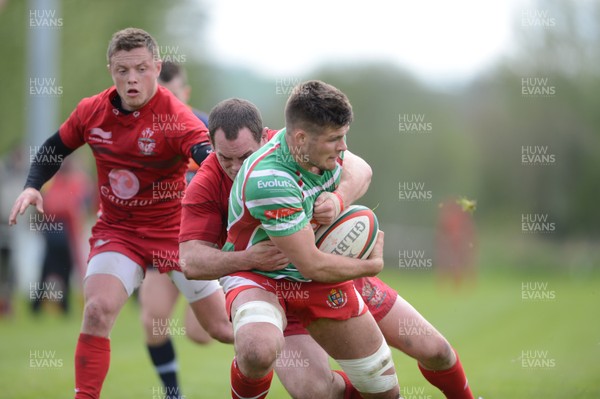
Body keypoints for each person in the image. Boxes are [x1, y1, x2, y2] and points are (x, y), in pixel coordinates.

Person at [181, 96, 474, 399]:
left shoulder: (292, 148)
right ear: (210, 145)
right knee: (313, 390)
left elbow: (360, 168)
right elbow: (191, 262)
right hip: (267, 286)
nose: (234, 167)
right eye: (224, 158)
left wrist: (338, 198)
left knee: (435, 350)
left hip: (329, 269)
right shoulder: (204, 185)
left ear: (265, 137)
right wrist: (247, 257)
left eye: (244, 157)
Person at [8, 28, 231, 399]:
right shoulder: (91, 111)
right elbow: (55, 147)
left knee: (219, 330)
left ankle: (278, 335)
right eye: (122, 70)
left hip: (175, 235)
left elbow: (208, 159)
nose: (132, 79)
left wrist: (228, 198)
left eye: (141, 68)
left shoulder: (175, 116)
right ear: (110, 69)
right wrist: (32, 184)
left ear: (156, 68)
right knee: (96, 311)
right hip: (119, 233)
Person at [212, 81, 400, 399]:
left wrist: (338, 201)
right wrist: (369, 265)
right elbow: (311, 262)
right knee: (257, 350)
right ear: (300, 138)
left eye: (344, 136)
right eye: (335, 139)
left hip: (311, 276)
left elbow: (363, 170)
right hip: (259, 276)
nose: (343, 147)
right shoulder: (271, 180)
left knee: (381, 389)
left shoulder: (317, 150)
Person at [138, 60, 216, 397]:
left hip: (202, 243)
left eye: (172, 95)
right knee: (153, 321)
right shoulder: (138, 132)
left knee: (200, 334)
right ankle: (173, 394)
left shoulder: (206, 130)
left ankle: (263, 330)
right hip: (160, 242)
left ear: (185, 93)